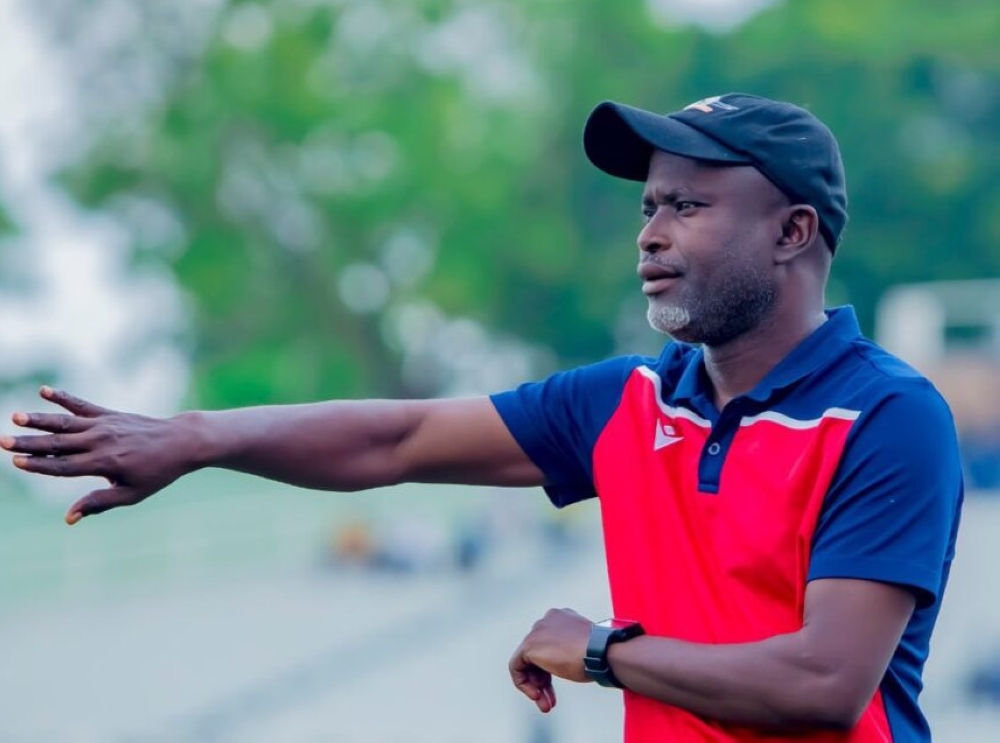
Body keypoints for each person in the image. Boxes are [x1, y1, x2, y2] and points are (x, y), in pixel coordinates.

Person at [2, 93, 963, 742]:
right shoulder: (627, 401)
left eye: (689, 206)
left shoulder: (887, 415)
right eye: (648, 205)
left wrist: (597, 649)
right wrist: (197, 438)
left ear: (793, 231)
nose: (651, 232)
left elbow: (822, 684)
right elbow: (400, 436)